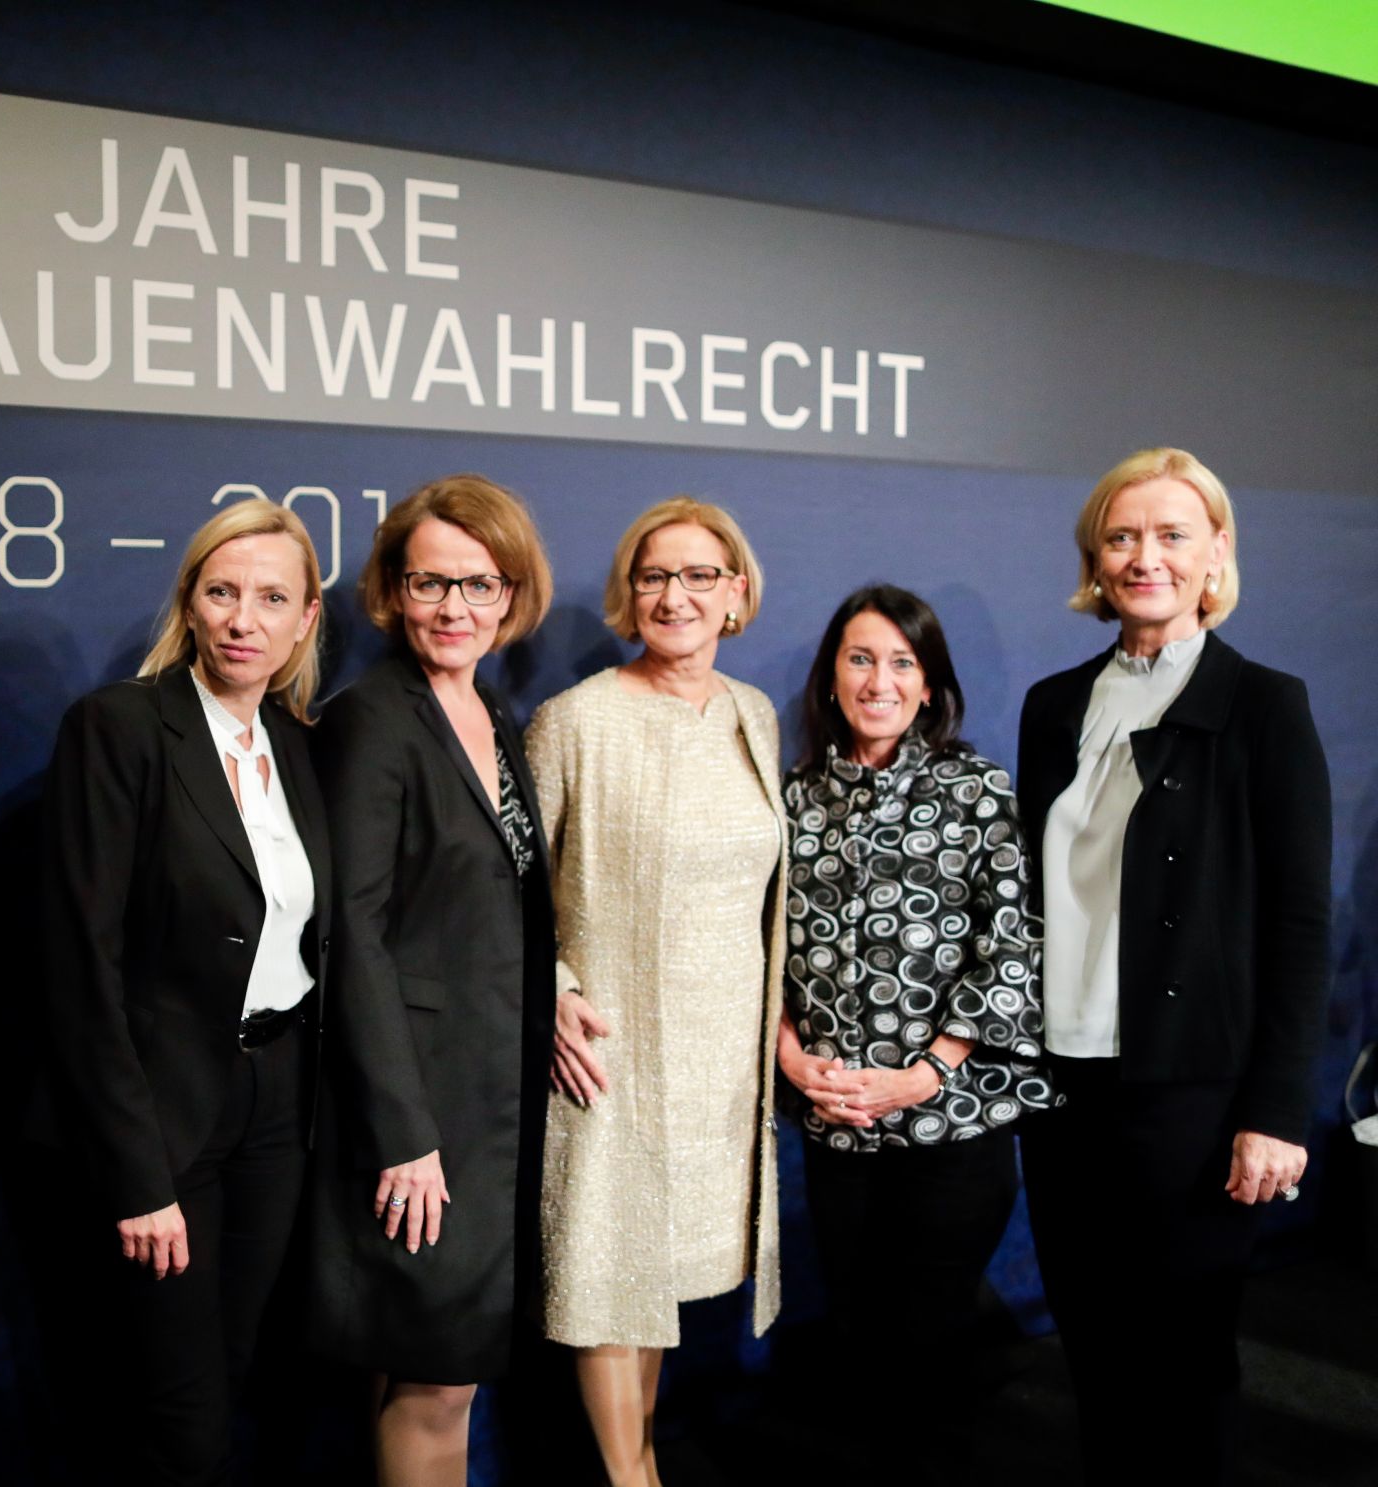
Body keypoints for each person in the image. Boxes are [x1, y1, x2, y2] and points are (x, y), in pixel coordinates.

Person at [1016, 448, 1331, 1482]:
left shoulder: (1262, 704)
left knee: (1185, 1363)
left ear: (1215, 553)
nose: (1143, 556)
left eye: (1170, 534)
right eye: (1121, 536)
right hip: (1063, 1086)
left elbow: (1298, 922)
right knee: (1095, 1352)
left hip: (1194, 1090)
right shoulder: (1052, 705)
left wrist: (1277, 1109)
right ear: (1094, 560)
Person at [37, 500, 330, 1485]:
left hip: (277, 1111)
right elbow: (80, 967)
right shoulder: (120, 727)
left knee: (231, 1372)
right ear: (190, 603)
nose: (244, 619)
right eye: (222, 592)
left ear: (306, 617)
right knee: (181, 1413)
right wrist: (137, 1173)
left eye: (271, 598)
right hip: (164, 1116)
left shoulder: (297, 745)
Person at [524, 496, 785, 1487]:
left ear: (736, 591)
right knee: (609, 1274)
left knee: (658, 1281)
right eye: (654, 576)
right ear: (628, 594)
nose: (676, 595)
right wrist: (551, 988)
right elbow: (510, 887)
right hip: (611, 1051)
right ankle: (631, 1477)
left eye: (698, 575)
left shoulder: (752, 714)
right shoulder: (574, 720)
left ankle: (634, 1465)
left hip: (722, 1063)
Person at [309, 474, 557, 1487]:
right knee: (435, 1382)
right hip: (419, 1112)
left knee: (424, 1371)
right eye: (430, 583)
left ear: (511, 594)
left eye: (478, 584)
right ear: (392, 590)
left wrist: (558, 993)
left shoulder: (491, 711)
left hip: (491, 1100)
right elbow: (351, 932)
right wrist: (403, 1132)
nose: (454, 607)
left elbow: (498, 902)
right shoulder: (372, 718)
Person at [777, 583, 1053, 1481]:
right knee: (859, 1340)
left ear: (929, 684)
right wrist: (792, 1059)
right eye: (860, 658)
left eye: (903, 662)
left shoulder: (975, 790)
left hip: (950, 1126)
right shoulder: (792, 800)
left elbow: (1012, 944)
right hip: (837, 1128)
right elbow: (759, 948)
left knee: (933, 1347)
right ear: (831, 675)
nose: (880, 680)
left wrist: (924, 1073)